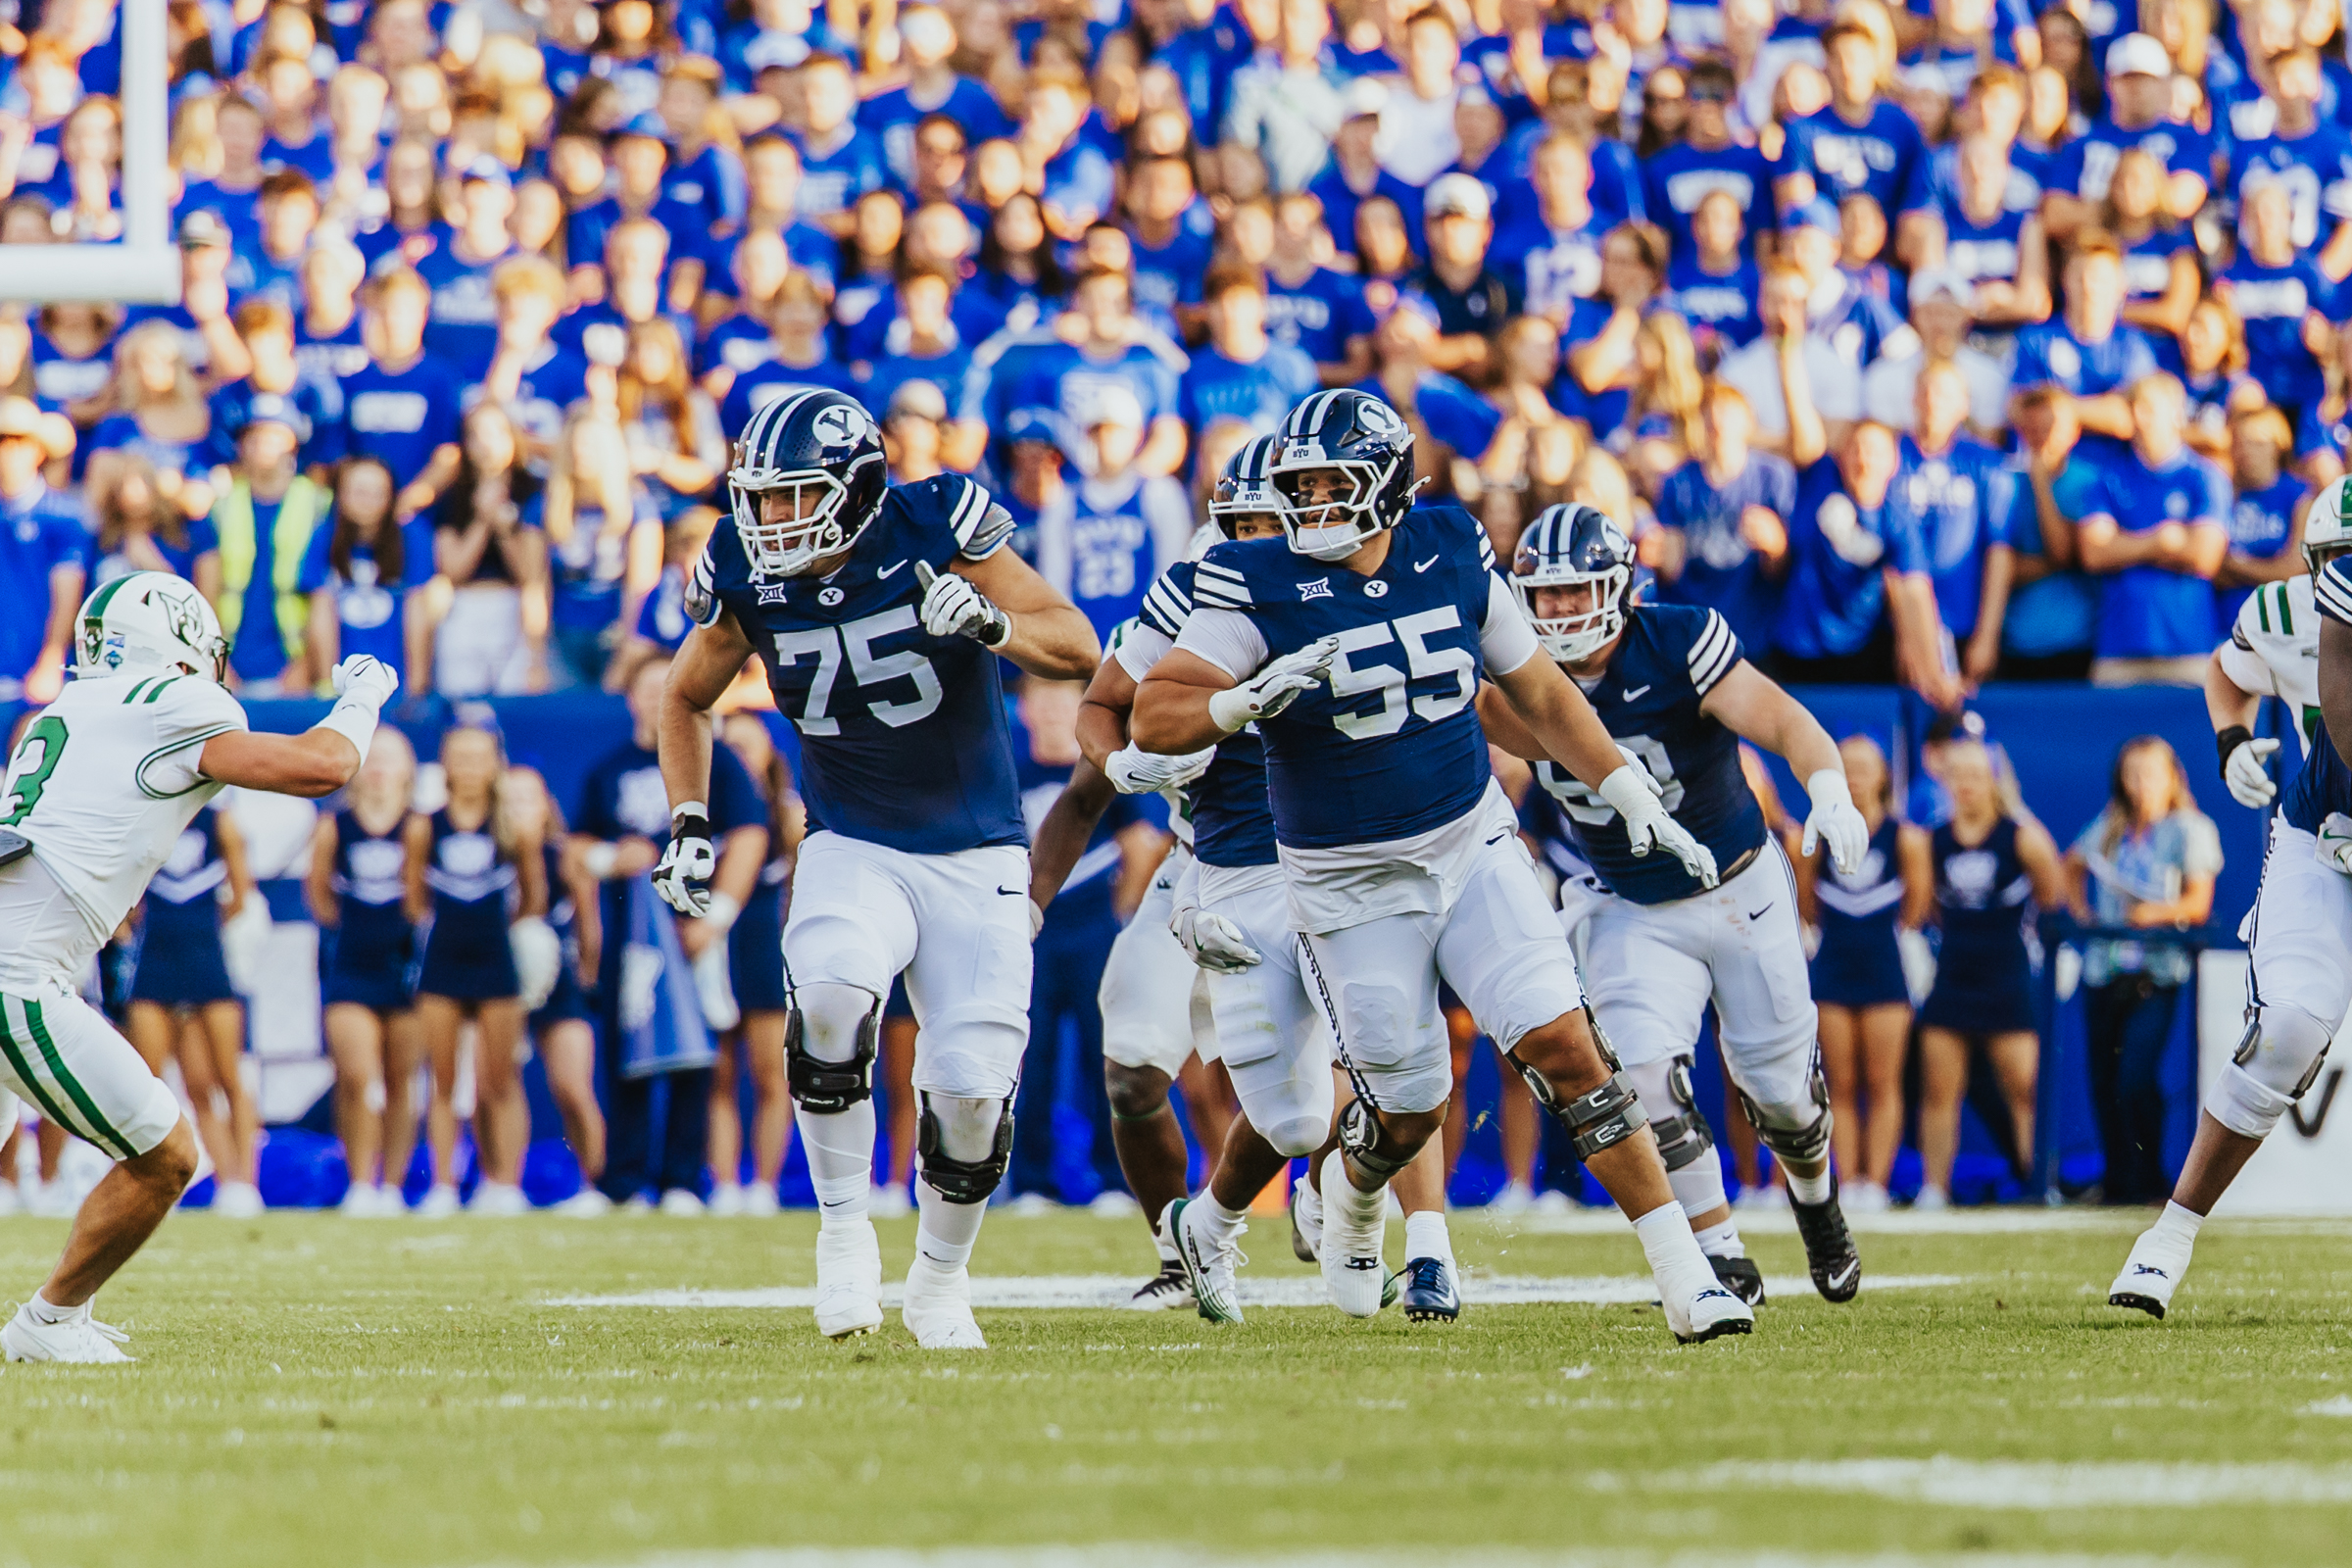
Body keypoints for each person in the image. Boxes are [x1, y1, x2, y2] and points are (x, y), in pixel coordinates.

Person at [1131, 389, 1750, 1343]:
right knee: (1409, 1110)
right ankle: (1354, 1189)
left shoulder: (1449, 544)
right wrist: (1240, 701)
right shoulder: (1253, 576)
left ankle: (1687, 1277)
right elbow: (1155, 713)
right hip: (1347, 886)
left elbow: (1537, 687)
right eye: (1301, 486)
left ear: (1385, 481)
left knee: (1568, 1047)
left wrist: (1622, 783)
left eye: (1334, 482)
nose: (1313, 503)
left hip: (1470, 848)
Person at [656, 388, 1099, 1349]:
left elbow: (1076, 644)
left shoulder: (935, 521)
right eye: (759, 499)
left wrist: (990, 623)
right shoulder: (746, 570)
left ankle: (940, 1280)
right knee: (825, 1004)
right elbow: (684, 696)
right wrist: (689, 815)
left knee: (974, 1091)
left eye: (790, 498)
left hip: (977, 848)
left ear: (854, 490)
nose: (767, 520)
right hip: (850, 837)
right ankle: (844, 1230)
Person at [0, 571, 397, 1358]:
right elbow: (321, 768)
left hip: (25, 954)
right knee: (166, 1154)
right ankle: (50, 1324)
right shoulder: (170, 705)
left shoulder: (60, 712)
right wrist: (361, 700)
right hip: (19, 975)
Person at [1482, 502, 1870, 1303]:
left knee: (1783, 1097)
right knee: (1646, 1081)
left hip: (1739, 889)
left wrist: (1828, 787)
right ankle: (1719, 1252)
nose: (1555, 612)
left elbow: (1785, 721)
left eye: (1573, 591)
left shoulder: (1679, 638)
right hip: (1628, 904)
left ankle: (1816, 1200)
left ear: (1621, 588)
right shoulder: (1514, 682)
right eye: (1542, 596)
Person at [2107, 483, 2352, 1314]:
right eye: (2339, 566)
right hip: (2324, 846)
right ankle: (2168, 1235)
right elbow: (2227, 669)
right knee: (2288, 1030)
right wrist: (2231, 740)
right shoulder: (2288, 614)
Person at [575, 658, 766, 1213]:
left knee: (697, 1057)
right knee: (625, 1054)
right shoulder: (609, 768)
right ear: (631, 699)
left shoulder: (717, 761)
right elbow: (575, 846)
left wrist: (716, 918)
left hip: (694, 932)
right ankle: (625, 1182)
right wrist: (613, 857)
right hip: (632, 939)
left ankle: (683, 1180)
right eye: (647, 689)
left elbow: (751, 834)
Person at [2067, 736, 2221, 1207]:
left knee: (2135, 1076)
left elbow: (2198, 901)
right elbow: (2070, 865)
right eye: (2132, 774)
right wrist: (2085, 918)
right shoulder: (2110, 825)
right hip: (2105, 970)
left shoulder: (2189, 828)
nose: (2141, 784)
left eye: (2150, 773)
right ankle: (2118, 1181)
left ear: (2172, 777)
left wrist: (2152, 914)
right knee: (2104, 1081)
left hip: (2156, 973)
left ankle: (2151, 1178)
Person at [1913, 736, 2064, 1210]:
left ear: (1994, 781)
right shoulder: (1931, 839)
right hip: (1953, 975)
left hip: (2007, 977)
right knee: (1939, 1090)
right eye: (1958, 776)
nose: (1968, 786)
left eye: (1977, 776)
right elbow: (1926, 906)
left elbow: (2052, 897)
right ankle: (1933, 1188)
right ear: (1946, 781)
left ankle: (2039, 1182)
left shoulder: (2023, 836)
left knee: (2023, 1089)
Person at [404, 719, 545, 1217]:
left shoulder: (515, 828)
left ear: (494, 765)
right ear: (444, 765)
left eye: (477, 757)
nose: (467, 768)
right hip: (443, 961)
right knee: (442, 1081)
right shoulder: (425, 825)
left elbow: (533, 898)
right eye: (458, 758)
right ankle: (443, 1184)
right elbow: (414, 898)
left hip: (495, 960)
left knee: (500, 1080)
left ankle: (503, 1184)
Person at [1797, 734, 1928, 1214]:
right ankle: (1847, 1179)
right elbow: (1806, 900)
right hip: (1833, 965)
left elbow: (1917, 906)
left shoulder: (1906, 837)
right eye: (1844, 767)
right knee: (1840, 1081)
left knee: (1883, 1080)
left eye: (1863, 767)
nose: (1854, 776)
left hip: (1884, 968)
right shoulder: (1816, 835)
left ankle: (1876, 1180)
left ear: (1882, 776)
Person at [125, 800, 262, 1218]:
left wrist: (198, 934)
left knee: (223, 1079)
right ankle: (151, 1184)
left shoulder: (220, 824)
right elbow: (125, 898)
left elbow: (240, 897)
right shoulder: (142, 822)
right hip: (154, 964)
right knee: (146, 1081)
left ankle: (241, 1184)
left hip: (208, 963)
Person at [307, 726, 421, 1216]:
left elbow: (423, 900)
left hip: (407, 966)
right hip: (351, 964)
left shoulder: (420, 826)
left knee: (401, 1079)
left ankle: (391, 1185)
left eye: (390, 758)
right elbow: (320, 896)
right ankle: (359, 1181)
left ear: (408, 770)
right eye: (371, 757)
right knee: (357, 1075)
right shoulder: (336, 826)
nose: (378, 767)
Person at [2074, 373, 2231, 686]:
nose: (2137, 415)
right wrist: (2162, 541)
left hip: (2188, 649)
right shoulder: (2109, 479)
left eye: (2148, 407)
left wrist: (2124, 546)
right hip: (2119, 649)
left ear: (2176, 413)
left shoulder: (2204, 476)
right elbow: (2094, 553)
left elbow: (2204, 556)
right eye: (2133, 406)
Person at [706, 710, 799, 1217]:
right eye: (731, 747)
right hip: (716, 947)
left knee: (770, 1075)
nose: (740, 758)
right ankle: (722, 1183)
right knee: (717, 1074)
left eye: (750, 746)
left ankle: (763, 1183)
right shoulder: (704, 816)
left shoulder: (789, 818)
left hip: (767, 944)